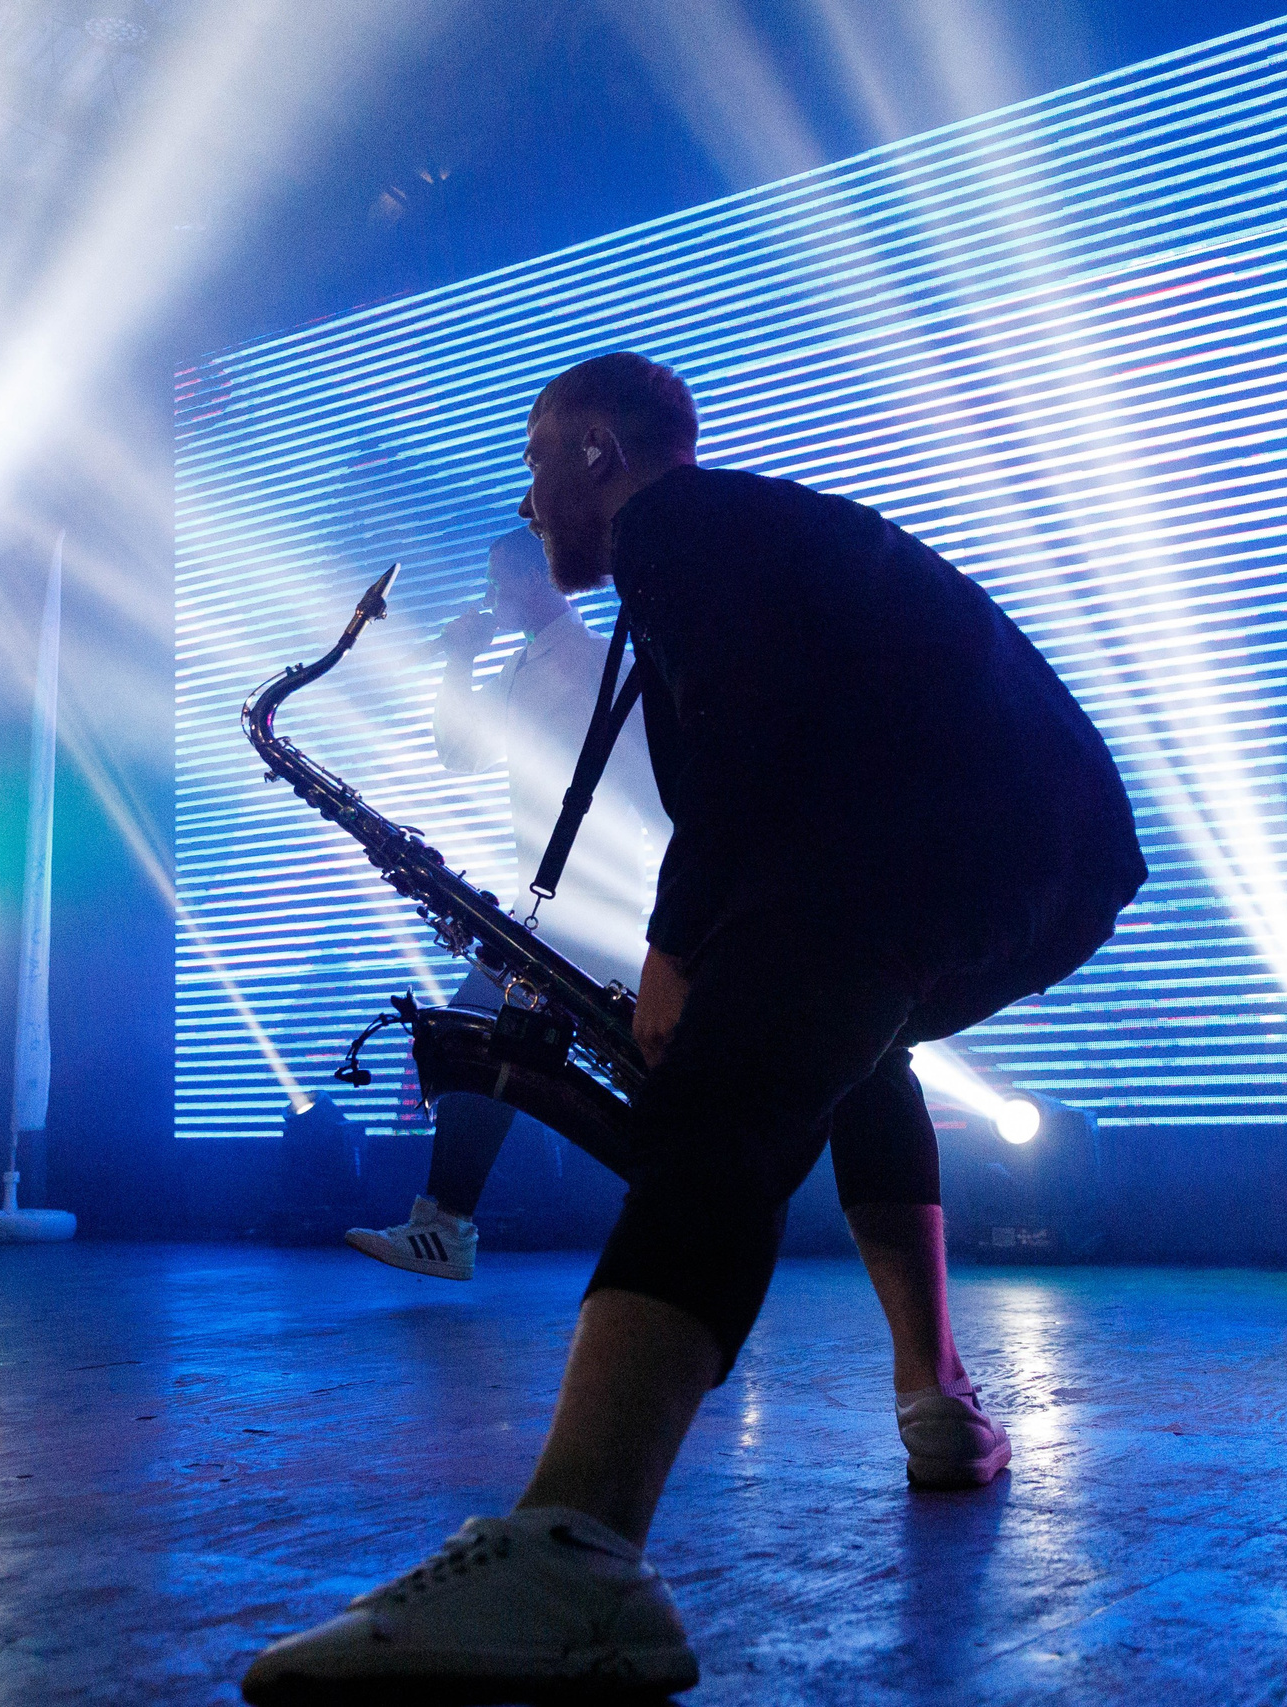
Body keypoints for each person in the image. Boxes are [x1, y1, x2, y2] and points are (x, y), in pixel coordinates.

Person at [243, 353, 1146, 1703]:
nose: (529, 501)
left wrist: (676, 951)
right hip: (1018, 848)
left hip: (936, 837)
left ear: (598, 453)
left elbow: (746, 748)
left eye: (537, 462)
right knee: (848, 1061)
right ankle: (939, 1402)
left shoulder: (677, 524)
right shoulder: (722, 546)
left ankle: (574, 1547)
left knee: (727, 1093)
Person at [345, 527, 665, 1280]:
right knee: (491, 1044)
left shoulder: (595, 661)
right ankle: (446, 1225)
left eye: (498, 582)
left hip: (595, 906)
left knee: (507, 1043)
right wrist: (459, 660)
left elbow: (647, 791)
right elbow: (458, 752)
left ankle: (449, 1225)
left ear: (535, 578)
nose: (489, 598)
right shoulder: (525, 667)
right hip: (554, 906)